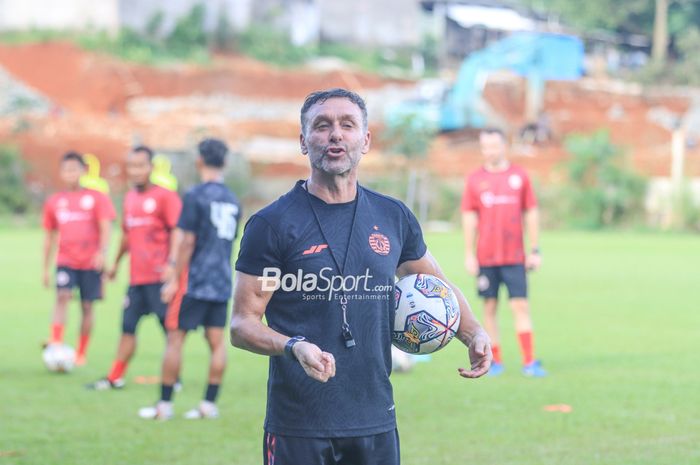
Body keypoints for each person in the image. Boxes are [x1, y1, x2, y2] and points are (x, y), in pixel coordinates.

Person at [230, 88, 491, 465]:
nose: (335, 134)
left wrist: (474, 333)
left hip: (375, 421)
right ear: (303, 142)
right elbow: (243, 323)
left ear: (365, 140)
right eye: (322, 126)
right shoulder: (274, 226)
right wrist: (294, 345)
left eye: (347, 125)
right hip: (299, 425)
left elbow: (439, 285)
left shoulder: (392, 218)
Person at [139, 138, 241, 420]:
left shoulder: (195, 195)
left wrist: (173, 275)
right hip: (221, 280)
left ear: (199, 161)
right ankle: (208, 405)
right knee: (217, 343)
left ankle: (164, 406)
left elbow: (186, 242)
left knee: (175, 339)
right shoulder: (233, 199)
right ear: (225, 163)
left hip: (194, 281)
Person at [86, 145, 183, 390]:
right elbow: (127, 236)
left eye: (141, 165)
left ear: (151, 167)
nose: (136, 171)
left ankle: (174, 379)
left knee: (170, 332)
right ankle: (115, 377)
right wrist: (116, 264)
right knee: (127, 327)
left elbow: (178, 233)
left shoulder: (166, 197)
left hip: (160, 277)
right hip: (136, 279)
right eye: (132, 166)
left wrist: (172, 266)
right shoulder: (130, 198)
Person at [461, 127, 546, 377]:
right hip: (486, 257)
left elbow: (531, 212)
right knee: (489, 307)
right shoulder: (475, 179)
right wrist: (469, 253)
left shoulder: (519, 176)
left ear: (504, 146)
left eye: (494, 146)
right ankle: (495, 360)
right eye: (485, 147)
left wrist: (535, 249)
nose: (490, 151)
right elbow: (469, 217)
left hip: (515, 257)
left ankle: (529, 361)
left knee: (520, 306)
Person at [42, 151, 115, 365]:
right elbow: (49, 236)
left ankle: (81, 352)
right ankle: (56, 344)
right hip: (66, 260)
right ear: (61, 173)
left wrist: (103, 253)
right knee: (62, 296)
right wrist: (45, 269)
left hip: (91, 262)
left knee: (87, 306)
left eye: (74, 169)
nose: (70, 173)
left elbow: (106, 228)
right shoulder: (55, 201)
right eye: (66, 169)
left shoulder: (96, 198)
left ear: (83, 171)